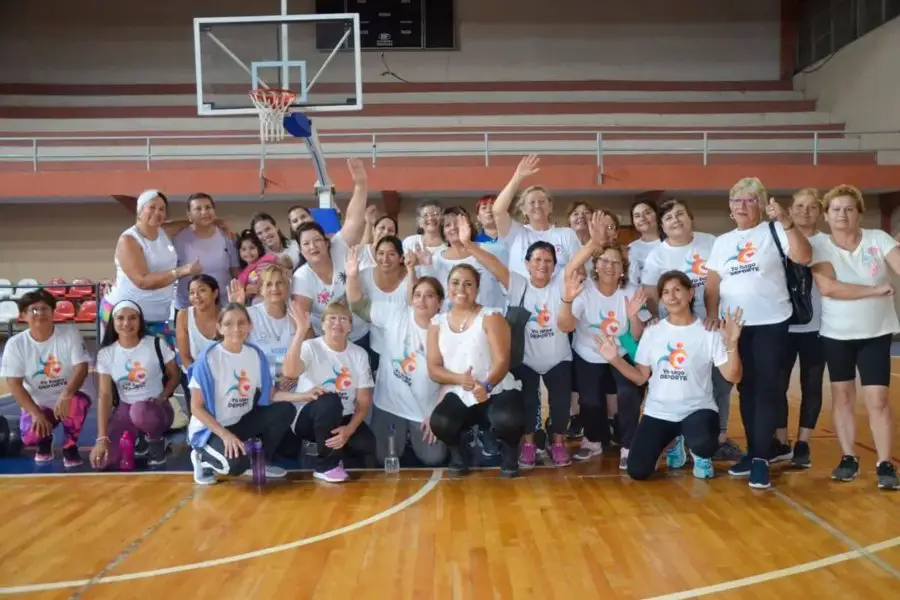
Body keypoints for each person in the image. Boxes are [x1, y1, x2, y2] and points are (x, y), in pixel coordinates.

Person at [458, 214, 600, 468]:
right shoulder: (518, 284)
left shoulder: (559, 284)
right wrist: (468, 245)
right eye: (537, 259)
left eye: (548, 261)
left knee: (561, 405)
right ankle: (529, 443)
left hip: (559, 359)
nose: (542, 265)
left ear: (555, 267)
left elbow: (576, 262)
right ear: (526, 263)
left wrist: (593, 243)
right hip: (527, 360)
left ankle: (557, 443)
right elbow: (492, 264)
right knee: (528, 403)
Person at [705, 177, 812, 489]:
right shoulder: (722, 242)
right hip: (734, 328)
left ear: (762, 205)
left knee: (766, 390)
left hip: (770, 322)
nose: (742, 206)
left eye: (750, 200)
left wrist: (787, 222)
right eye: (737, 200)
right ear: (729, 206)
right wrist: (713, 314)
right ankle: (754, 452)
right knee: (745, 390)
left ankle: (763, 459)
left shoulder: (775, 230)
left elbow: (804, 257)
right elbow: (713, 284)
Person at [597, 271, 744, 481]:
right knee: (637, 471)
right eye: (665, 292)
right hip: (659, 412)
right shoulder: (653, 332)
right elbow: (640, 378)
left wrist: (732, 343)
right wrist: (615, 360)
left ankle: (700, 454)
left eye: (677, 290)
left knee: (704, 443)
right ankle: (674, 445)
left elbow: (734, 376)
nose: (672, 297)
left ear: (691, 293)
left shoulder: (707, 332)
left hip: (697, 410)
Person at [810, 184, 900, 490]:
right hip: (837, 335)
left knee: (878, 399)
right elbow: (830, 288)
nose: (842, 214)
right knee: (843, 397)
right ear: (826, 215)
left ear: (859, 213)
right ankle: (848, 457)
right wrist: (875, 290)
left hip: (875, 333)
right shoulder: (820, 246)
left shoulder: (878, 239)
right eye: (835, 209)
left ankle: (885, 462)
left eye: (849, 208)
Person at [640, 198, 742, 462]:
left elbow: (714, 285)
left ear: (690, 216)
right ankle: (675, 438)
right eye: (669, 218)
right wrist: (655, 321)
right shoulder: (657, 255)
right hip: (673, 331)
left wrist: (711, 315)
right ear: (662, 226)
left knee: (720, 384)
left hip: (708, 326)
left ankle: (718, 437)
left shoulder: (711, 243)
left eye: (679, 214)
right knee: (675, 380)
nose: (675, 220)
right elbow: (651, 294)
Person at [346, 248, 447, 467]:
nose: (422, 300)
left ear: (439, 302)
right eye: (418, 294)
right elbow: (357, 306)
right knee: (385, 458)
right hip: (389, 405)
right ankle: (401, 438)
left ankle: (412, 438)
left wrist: (435, 414)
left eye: (430, 296)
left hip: (424, 409)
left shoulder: (445, 329)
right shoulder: (396, 314)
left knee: (435, 457)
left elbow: (449, 379)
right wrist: (352, 276)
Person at [427, 264, 524, 478]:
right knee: (440, 422)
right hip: (461, 391)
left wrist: (487, 385)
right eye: (455, 282)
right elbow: (434, 368)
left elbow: (502, 361)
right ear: (448, 286)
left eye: (468, 283)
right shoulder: (436, 323)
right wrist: (460, 379)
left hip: (495, 388)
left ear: (477, 289)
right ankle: (459, 454)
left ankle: (509, 452)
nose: (461, 288)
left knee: (508, 417)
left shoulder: (491, 317)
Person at [558, 242, 646, 469]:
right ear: (595, 266)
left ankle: (629, 445)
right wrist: (567, 301)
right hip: (588, 353)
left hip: (621, 351)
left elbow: (636, 336)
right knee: (590, 401)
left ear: (623, 270)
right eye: (604, 261)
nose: (609, 266)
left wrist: (634, 316)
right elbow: (566, 326)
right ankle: (594, 439)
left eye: (615, 262)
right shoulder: (583, 289)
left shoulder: (631, 292)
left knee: (628, 394)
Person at [187, 303, 296, 485]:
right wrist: (225, 435)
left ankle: (260, 461)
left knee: (285, 410)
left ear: (249, 326)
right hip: (211, 429)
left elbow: (269, 394)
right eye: (228, 324)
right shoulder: (208, 360)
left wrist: (305, 395)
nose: (236, 329)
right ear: (219, 328)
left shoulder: (255, 354)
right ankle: (201, 456)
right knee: (235, 465)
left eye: (241, 323)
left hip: (239, 422)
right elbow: (196, 408)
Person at [281, 302, 377, 483]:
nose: (337, 323)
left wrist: (349, 430)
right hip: (308, 415)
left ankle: (335, 449)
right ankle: (325, 465)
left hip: (342, 415)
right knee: (330, 400)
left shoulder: (359, 354)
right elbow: (290, 372)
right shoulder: (310, 346)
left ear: (350, 327)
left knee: (366, 443)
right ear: (323, 324)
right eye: (332, 318)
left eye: (343, 319)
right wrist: (301, 331)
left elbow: (364, 402)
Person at [0, 289, 91, 467]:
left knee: (77, 404)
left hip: (68, 397)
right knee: (29, 437)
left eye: (44, 308)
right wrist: (35, 413)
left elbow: (82, 367)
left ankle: (70, 447)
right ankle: (44, 441)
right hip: (38, 402)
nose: (39, 313)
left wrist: (66, 394)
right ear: (23, 316)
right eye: (33, 310)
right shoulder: (16, 344)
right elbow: (15, 384)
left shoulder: (70, 333)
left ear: (52, 312)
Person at [101, 190, 201, 343]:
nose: (157, 212)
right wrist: (181, 271)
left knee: (160, 361)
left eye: (161, 209)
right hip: (127, 315)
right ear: (139, 211)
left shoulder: (164, 231)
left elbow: (192, 223)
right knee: (132, 364)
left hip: (159, 314)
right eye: (152, 207)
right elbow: (142, 281)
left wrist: (219, 223)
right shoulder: (128, 239)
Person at [90, 301, 180, 469]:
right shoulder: (106, 353)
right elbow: (105, 395)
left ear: (140, 321)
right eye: (120, 318)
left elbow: (175, 375)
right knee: (103, 461)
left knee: (140, 411)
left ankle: (156, 442)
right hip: (125, 408)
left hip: (156, 408)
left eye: (132, 318)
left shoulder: (155, 344)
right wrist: (102, 438)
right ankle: (140, 438)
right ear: (113, 322)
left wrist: (163, 397)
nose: (126, 323)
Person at [291, 158, 370, 348]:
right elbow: (303, 322)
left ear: (327, 242)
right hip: (327, 340)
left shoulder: (339, 246)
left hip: (361, 333)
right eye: (306, 244)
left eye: (317, 240)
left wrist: (360, 184)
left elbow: (354, 219)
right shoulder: (302, 277)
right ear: (301, 250)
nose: (312, 247)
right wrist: (314, 354)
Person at [774, 188, 827, 469]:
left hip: (818, 327)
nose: (805, 211)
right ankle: (781, 441)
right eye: (800, 206)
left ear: (820, 212)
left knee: (812, 385)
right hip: (782, 326)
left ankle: (803, 442)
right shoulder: (778, 241)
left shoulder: (827, 243)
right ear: (790, 210)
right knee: (778, 385)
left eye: (811, 207)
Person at [491, 155, 582, 278]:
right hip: (522, 296)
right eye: (532, 202)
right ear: (523, 210)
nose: (537, 206)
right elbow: (498, 210)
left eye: (542, 201)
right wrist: (517, 177)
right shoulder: (515, 233)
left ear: (550, 207)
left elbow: (578, 272)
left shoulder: (567, 234)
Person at [230, 265, 297, 385]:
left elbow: (307, 355)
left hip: (294, 385)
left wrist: (294, 378)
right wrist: (236, 311)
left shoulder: (296, 315)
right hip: (261, 386)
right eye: (269, 284)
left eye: (280, 283)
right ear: (261, 289)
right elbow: (233, 348)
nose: (275, 288)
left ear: (287, 287)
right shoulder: (249, 315)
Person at [172, 193, 239, 312]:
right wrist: (185, 270)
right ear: (189, 214)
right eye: (198, 209)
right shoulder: (178, 239)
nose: (204, 212)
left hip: (222, 305)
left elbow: (235, 271)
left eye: (208, 207)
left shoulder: (227, 236)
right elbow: (169, 272)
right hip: (188, 307)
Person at [353, 235, 409, 373]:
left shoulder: (411, 276)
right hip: (376, 345)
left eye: (391, 254)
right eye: (380, 253)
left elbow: (415, 303)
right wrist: (351, 275)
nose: (385, 259)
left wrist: (412, 269)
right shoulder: (364, 275)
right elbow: (355, 304)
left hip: (404, 347)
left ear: (401, 257)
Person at [175, 275, 220, 371]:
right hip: (194, 374)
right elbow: (185, 356)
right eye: (192, 292)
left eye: (202, 290)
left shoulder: (226, 315)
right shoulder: (184, 315)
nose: (196, 296)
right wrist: (198, 380)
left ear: (215, 293)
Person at [235, 228, 279, 305]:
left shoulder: (268, 260)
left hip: (274, 294)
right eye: (243, 249)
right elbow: (241, 296)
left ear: (259, 249)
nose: (248, 252)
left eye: (252, 248)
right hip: (257, 303)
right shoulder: (242, 275)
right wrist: (247, 292)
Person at [627, 199, 662, 285]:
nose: (642, 218)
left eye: (647, 213)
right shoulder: (631, 248)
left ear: (657, 215)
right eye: (637, 216)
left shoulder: (671, 243)